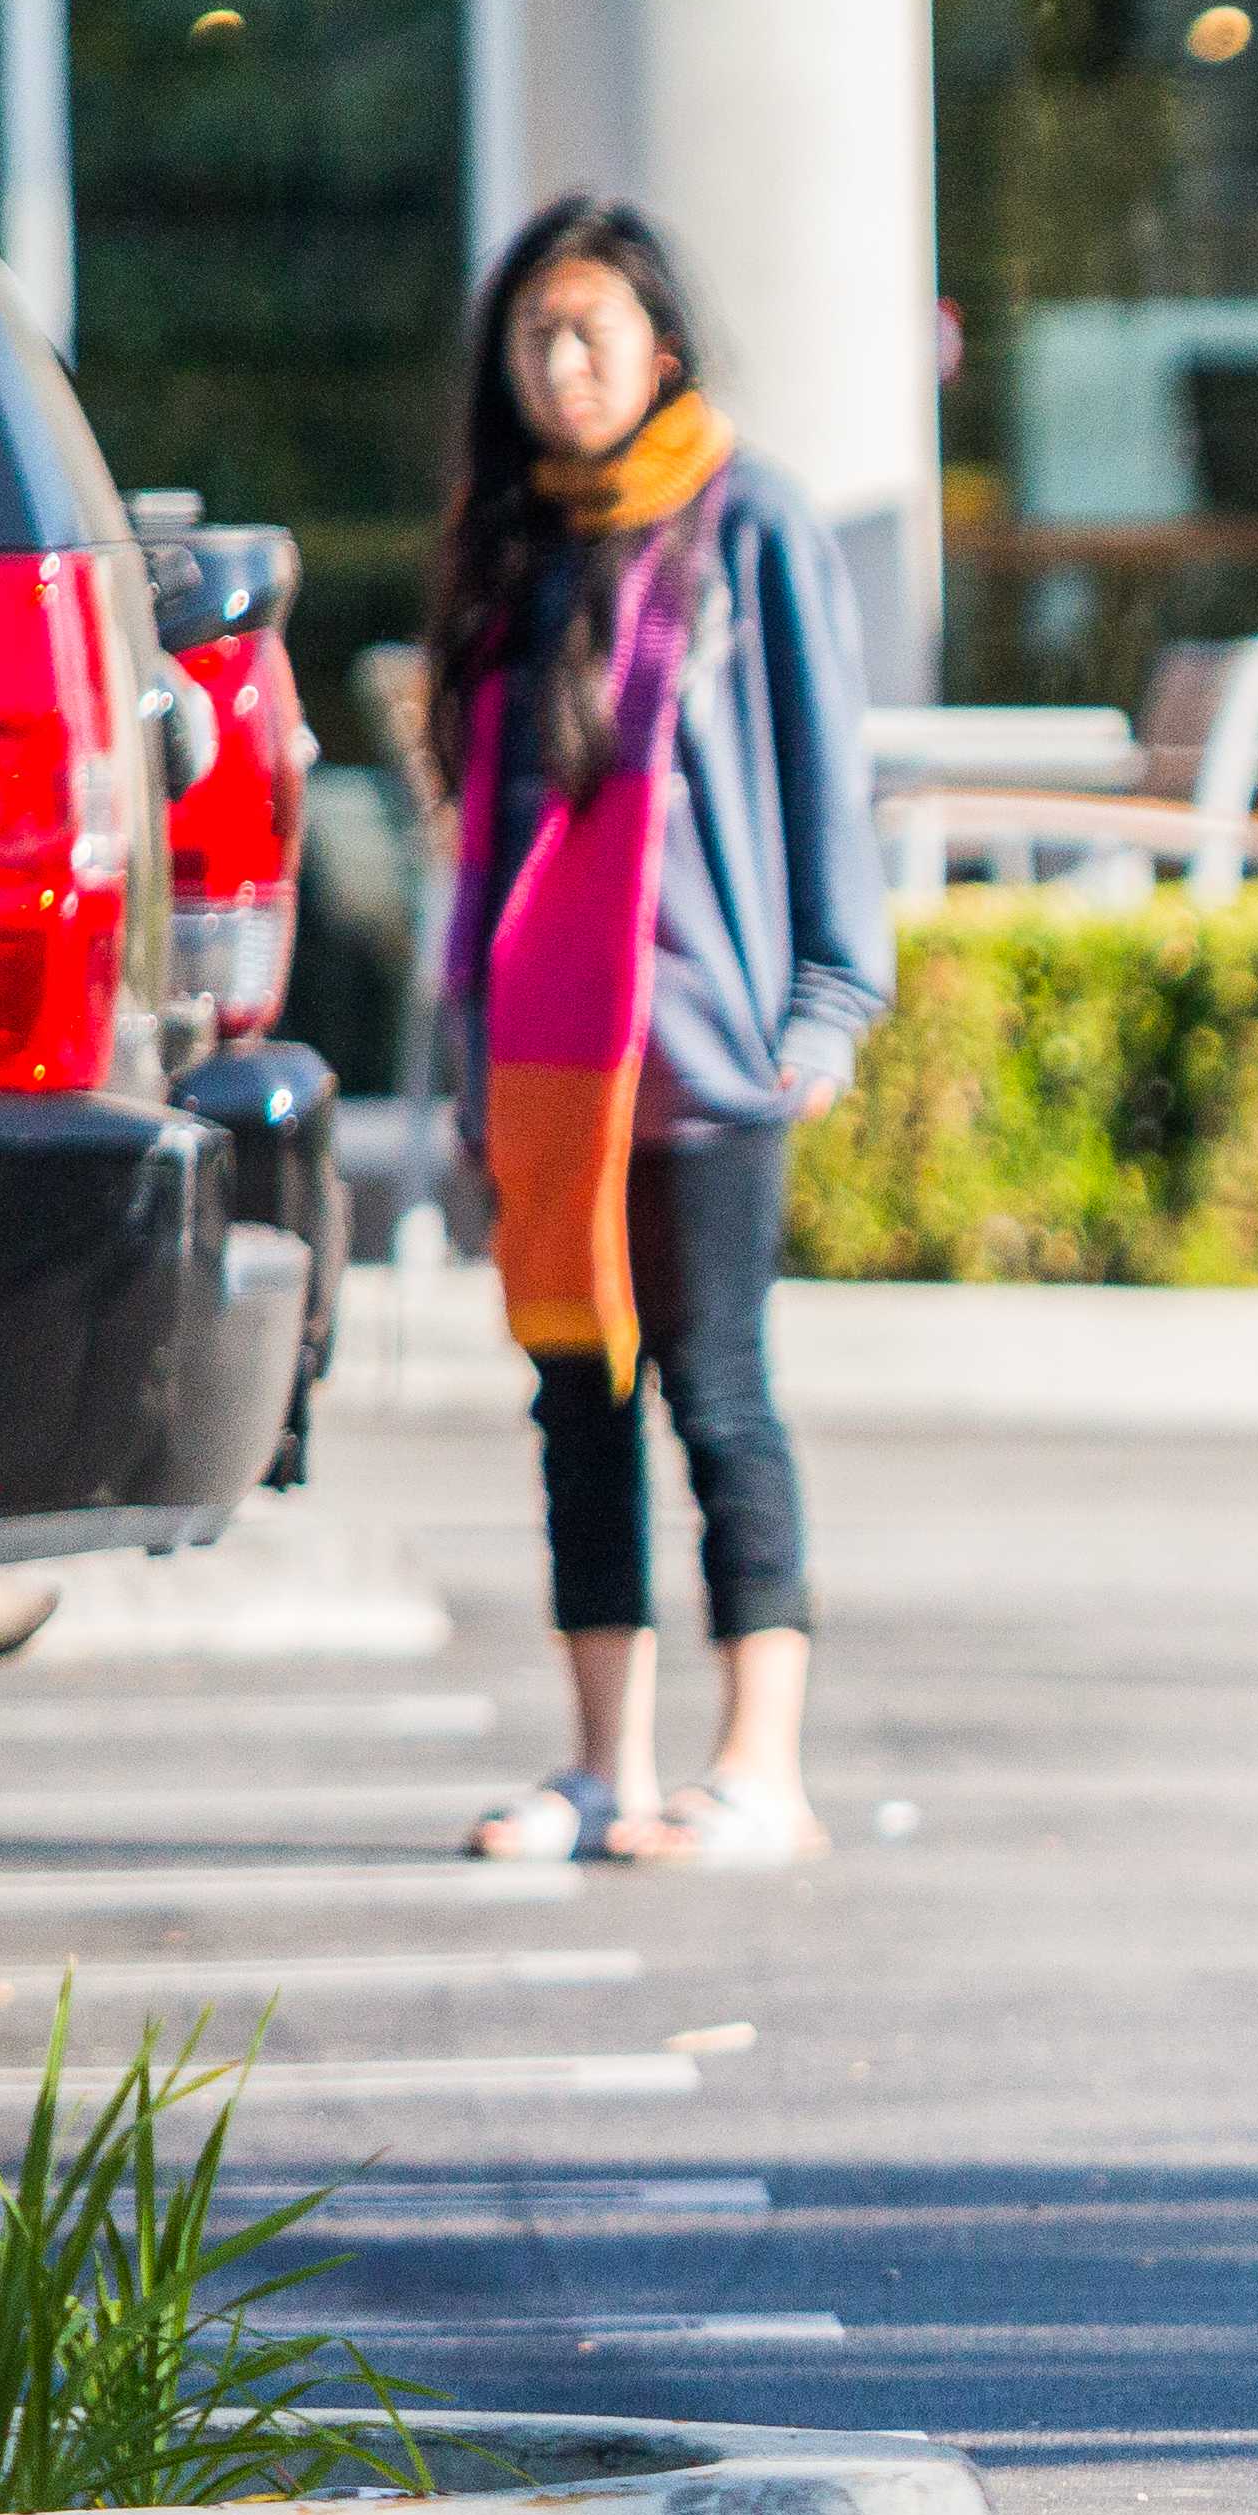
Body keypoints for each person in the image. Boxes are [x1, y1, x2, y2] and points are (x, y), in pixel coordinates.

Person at [440, 197, 889, 1867]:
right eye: (535, 335)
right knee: (578, 1407)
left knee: (717, 1395)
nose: (561, 366)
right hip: (550, 1066)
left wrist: (827, 1003)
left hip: (708, 1057)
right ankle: (599, 1769)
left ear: (663, 345)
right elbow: (487, 839)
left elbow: (824, 772)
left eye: (590, 332)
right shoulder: (518, 543)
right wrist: (471, 1052)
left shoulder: (749, 521)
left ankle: (762, 1769)